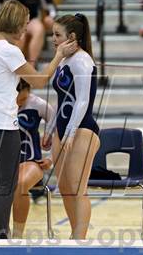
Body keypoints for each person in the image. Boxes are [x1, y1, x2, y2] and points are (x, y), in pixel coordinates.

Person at [0, 0, 76, 239]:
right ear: (14, 23)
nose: (25, 30)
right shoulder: (9, 50)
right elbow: (40, 81)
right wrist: (59, 54)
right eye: (24, 25)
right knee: (6, 185)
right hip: (1, 124)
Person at [42, 14, 100, 239]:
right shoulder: (64, 60)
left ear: (72, 36)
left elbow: (82, 100)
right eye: (53, 34)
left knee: (77, 189)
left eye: (57, 35)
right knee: (65, 188)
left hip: (82, 129)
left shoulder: (83, 60)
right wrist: (50, 130)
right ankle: (75, 236)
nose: (53, 39)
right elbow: (63, 100)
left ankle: (79, 241)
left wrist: (71, 131)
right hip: (64, 129)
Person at [12, 79, 54, 238]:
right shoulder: (0, 102)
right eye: (15, 99)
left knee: (20, 184)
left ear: (28, 89)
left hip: (31, 161)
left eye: (22, 100)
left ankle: (16, 236)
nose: (18, 103)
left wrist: (51, 158)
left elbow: (59, 132)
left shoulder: (39, 104)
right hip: (6, 161)